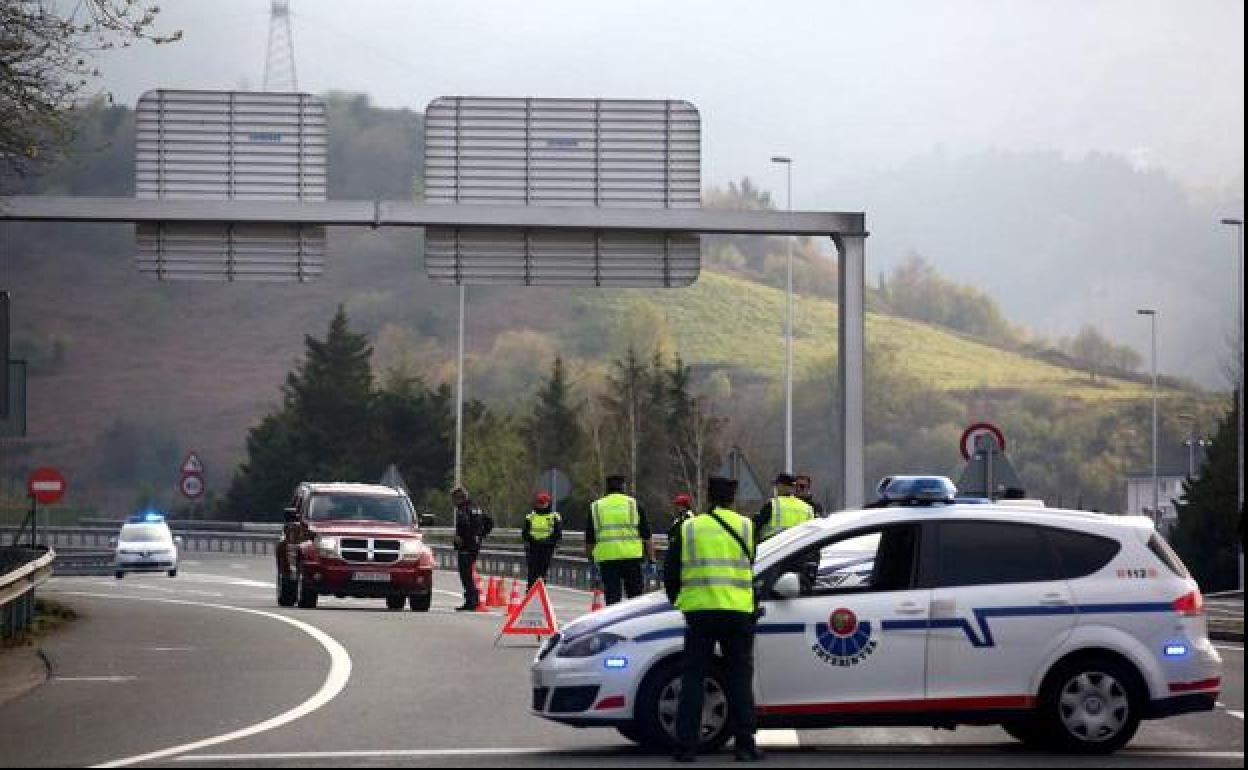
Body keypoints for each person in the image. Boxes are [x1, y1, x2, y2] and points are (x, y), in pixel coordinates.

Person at [663, 475, 762, 763]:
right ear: (733, 498)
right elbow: (750, 565)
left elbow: (670, 572)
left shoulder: (689, 528)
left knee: (693, 679)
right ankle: (745, 745)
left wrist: (680, 602)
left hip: (700, 614)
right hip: (737, 613)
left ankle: (686, 747)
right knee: (740, 679)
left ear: (708, 497)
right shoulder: (747, 527)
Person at [586, 474, 655, 606]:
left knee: (612, 598)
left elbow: (589, 540)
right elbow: (647, 536)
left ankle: (615, 625)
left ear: (607, 488)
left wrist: (591, 561)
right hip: (632, 558)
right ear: (623, 487)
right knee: (635, 598)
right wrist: (651, 559)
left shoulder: (596, 507)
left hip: (608, 559)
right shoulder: (634, 505)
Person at [451, 486, 493, 611]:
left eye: (453, 499)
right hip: (475, 545)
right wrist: (481, 535)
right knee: (469, 573)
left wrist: (461, 538)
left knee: (465, 574)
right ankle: (472, 599)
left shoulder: (463, 510)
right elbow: (489, 522)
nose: (453, 502)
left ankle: (472, 601)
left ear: (458, 498)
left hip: (466, 546)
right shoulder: (476, 508)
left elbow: (464, 524)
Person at [754, 473, 814, 543]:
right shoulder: (808, 508)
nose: (775, 488)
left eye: (776, 485)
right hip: (799, 550)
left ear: (781, 486)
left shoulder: (773, 504)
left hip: (774, 548)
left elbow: (755, 527)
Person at [522, 490, 562, 590]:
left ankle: (541, 592)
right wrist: (534, 541)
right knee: (532, 572)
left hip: (547, 548)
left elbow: (557, 533)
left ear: (548, 503)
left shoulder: (554, 517)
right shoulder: (530, 516)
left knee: (542, 572)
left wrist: (548, 541)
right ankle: (530, 591)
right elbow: (525, 533)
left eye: (543, 503)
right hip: (533, 547)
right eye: (539, 502)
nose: (541, 505)